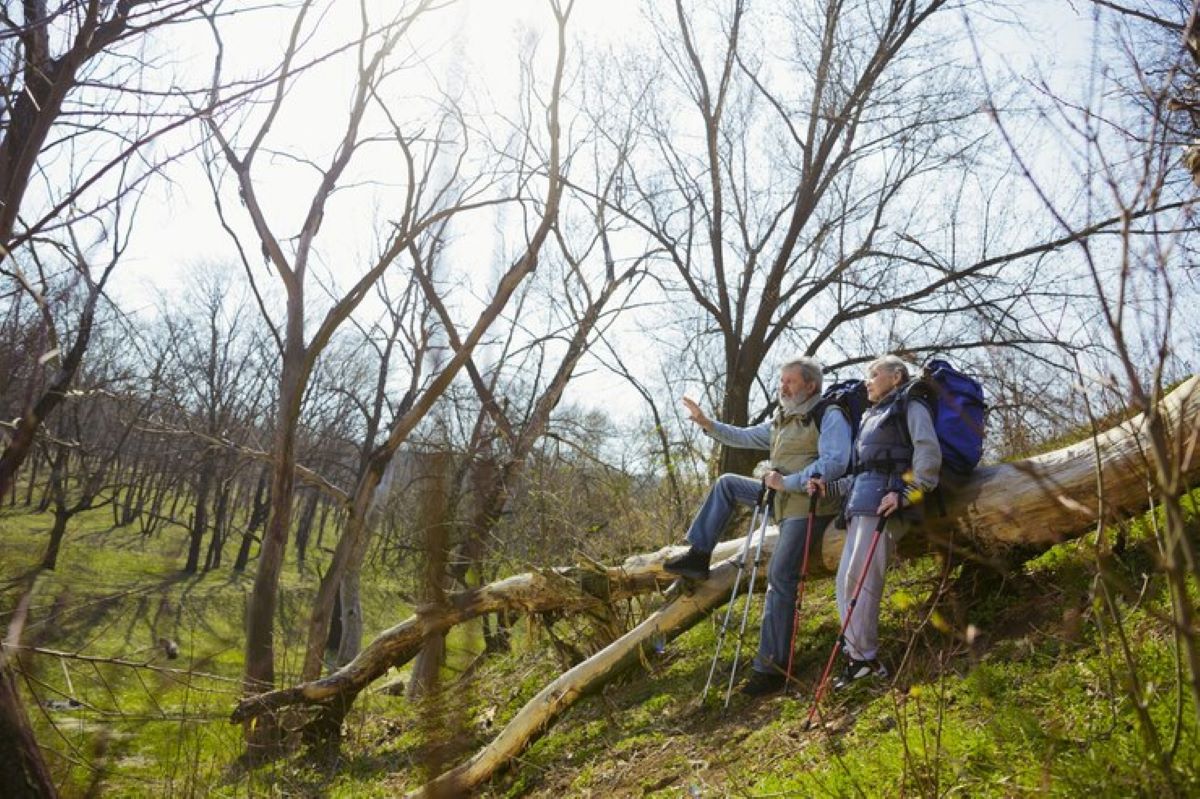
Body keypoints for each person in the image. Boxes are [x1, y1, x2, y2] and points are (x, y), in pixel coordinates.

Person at [664, 357, 851, 696]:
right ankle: (698, 555)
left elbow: (836, 462)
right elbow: (745, 436)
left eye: (789, 382)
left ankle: (771, 668)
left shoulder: (829, 414)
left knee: (780, 577)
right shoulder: (782, 419)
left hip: (808, 508)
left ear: (810, 385)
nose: (783, 387)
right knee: (727, 484)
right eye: (781, 381)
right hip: (779, 499)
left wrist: (789, 481)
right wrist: (708, 423)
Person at [808, 354, 940, 689]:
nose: (867, 380)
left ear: (896, 377)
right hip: (860, 504)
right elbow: (861, 474)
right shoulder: (871, 415)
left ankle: (865, 660)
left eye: (874, 373)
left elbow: (927, 452)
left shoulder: (911, 404)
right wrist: (828, 488)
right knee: (845, 582)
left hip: (886, 504)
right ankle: (856, 658)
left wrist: (908, 493)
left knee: (862, 580)